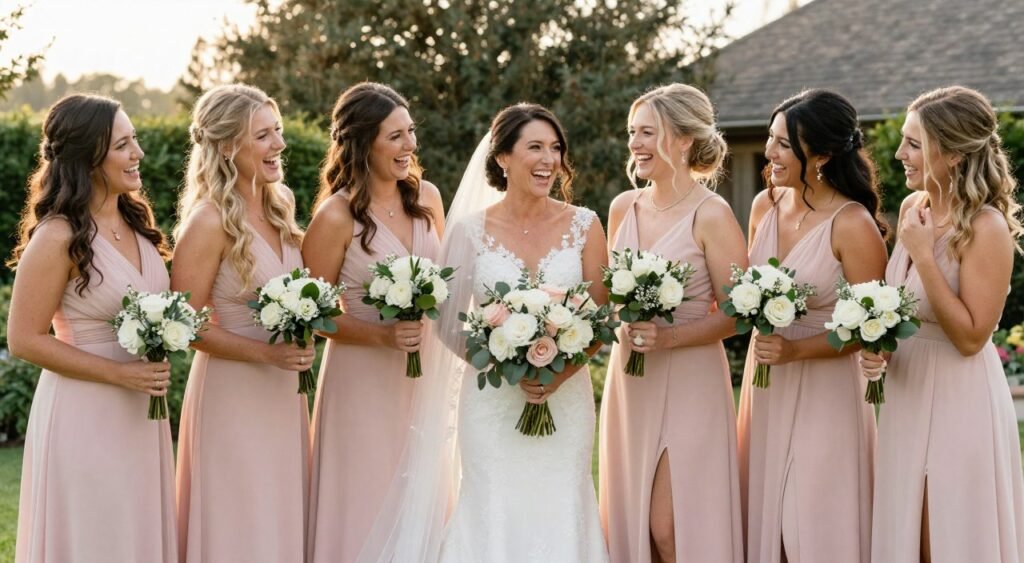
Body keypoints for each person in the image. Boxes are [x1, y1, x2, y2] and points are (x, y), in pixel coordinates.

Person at [9, 94, 177, 562]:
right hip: (84, 414)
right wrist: (119, 375)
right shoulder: (58, 235)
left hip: (141, 413)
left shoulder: (137, 224)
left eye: (135, 141)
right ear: (89, 157)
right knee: (95, 538)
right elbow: (24, 339)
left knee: (135, 534)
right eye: (123, 145)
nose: (138, 154)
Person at [862, 85, 1024, 562]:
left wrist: (923, 254)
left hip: (959, 396)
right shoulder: (916, 209)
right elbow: (900, 304)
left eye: (914, 143)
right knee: (907, 534)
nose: (899, 153)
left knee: (945, 536)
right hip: (906, 392)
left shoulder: (986, 228)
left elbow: (972, 337)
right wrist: (879, 343)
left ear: (952, 154)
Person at [737, 89, 888, 563]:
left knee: (814, 522)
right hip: (766, 387)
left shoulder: (852, 224)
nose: (770, 152)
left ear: (820, 155)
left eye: (784, 144)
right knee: (768, 528)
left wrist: (797, 350)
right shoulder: (765, 205)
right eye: (770, 138)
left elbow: (873, 326)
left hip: (827, 393)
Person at [599, 83, 745, 563]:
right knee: (637, 523)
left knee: (671, 527)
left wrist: (671, 336)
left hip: (690, 381)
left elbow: (738, 312)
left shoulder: (712, 213)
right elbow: (607, 295)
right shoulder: (624, 207)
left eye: (647, 133)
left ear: (683, 140)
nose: (635, 144)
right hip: (632, 381)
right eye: (632, 133)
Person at [303, 82, 445, 563]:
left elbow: (445, 281)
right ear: (364, 143)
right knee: (366, 496)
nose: (410, 146)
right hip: (359, 382)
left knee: (421, 492)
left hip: (423, 374)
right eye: (396, 137)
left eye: (411, 133)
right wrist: (380, 334)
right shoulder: (336, 216)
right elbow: (313, 314)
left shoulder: (427, 198)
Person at [172, 84, 311, 562]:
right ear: (229, 146)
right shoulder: (208, 221)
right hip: (232, 392)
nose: (279, 145)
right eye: (264, 136)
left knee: (278, 513)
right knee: (238, 517)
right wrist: (265, 353)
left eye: (278, 132)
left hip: (282, 392)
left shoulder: (281, 203)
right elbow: (184, 325)